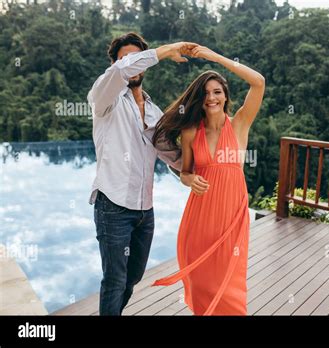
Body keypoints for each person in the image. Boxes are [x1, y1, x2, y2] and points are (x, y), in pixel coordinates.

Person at [87, 32, 197, 315]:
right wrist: (167, 48)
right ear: (114, 63)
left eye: (138, 59)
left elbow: (169, 153)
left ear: (145, 67)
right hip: (112, 206)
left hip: (144, 211)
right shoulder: (105, 99)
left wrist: (199, 169)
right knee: (114, 280)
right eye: (125, 58)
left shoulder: (153, 111)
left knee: (132, 278)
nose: (132, 64)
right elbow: (122, 70)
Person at [151, 45, 265, 315]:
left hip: (231, 217)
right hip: (199, 219)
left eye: (217, 92)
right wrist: (189, 180)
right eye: (205, 93)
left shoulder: (239, 125)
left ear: (225, 96)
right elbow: (186, 172)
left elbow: (258, 82)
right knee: (202, 284)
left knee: (229, 286)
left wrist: (213, 58)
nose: (211, 98)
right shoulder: (191, 132)